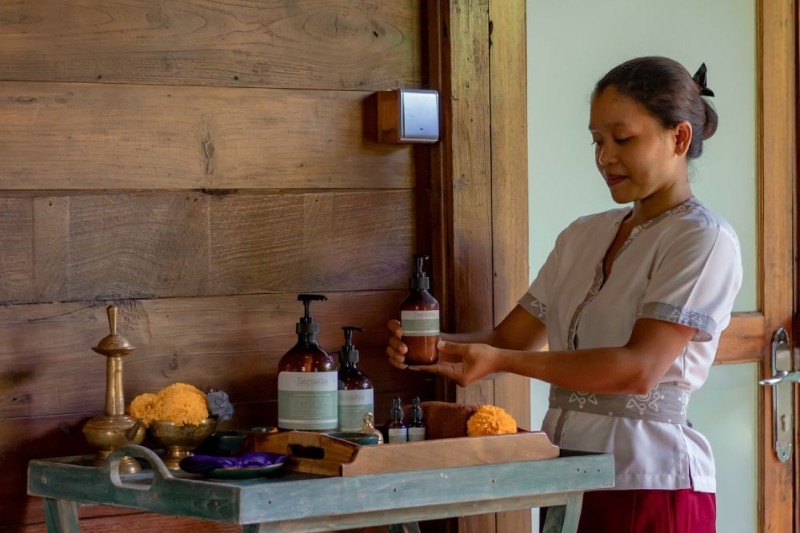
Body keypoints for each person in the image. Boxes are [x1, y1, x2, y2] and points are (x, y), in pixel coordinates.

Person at [386, 56, 742, 533]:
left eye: (623, 139)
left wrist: (498, 361)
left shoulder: (704, 239)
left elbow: (639, 369)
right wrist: (432, 349)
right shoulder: (582, 236)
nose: (604, 157)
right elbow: (510, 338)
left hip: (652, 480)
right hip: (563, 472)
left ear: (679, 138)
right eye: (597, 140)